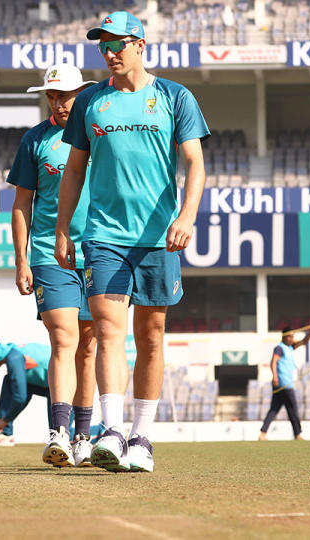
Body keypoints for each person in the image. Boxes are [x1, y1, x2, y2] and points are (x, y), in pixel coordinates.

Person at [54, 10, 210, 473]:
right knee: (107, 331)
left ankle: (142, 437)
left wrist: (186, 216)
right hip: (103, 235)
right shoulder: (89, 103)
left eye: (116, 43)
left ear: (140, 44)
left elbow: (194, 164)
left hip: (158, 238)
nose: (108, 52)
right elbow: (75, 170)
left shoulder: (174, 96)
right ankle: (112, 430)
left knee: (152, 335)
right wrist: (65, 227)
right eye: (102, 45)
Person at [6, 63, 98, 469]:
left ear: (81, 95)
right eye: (53, 96)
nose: (60, 103)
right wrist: (21, 259)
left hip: (99, 253)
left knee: (90, 347)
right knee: (64, 339)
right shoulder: (34, 140)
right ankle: (58, 432)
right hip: (48, 253)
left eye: (66, 95)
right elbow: (22, 204)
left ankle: (84, 436)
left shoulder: (100, 135)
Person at [0, 339, 97, 467]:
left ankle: (97, 434)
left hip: (65, 385)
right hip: (51, 386)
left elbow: (20, 398)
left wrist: (5, 420)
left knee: (61, 432)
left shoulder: (14, 358)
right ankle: (6, 434)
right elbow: (24, 393)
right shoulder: (15, 352)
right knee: (58, 433)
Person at [258, 325, 310, 441]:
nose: (292, 339)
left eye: (293, 336)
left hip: (284, 384)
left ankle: (263, 433)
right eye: (290, 336)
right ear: (284, 337)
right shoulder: (279, 348)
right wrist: (275, 377)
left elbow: (304, 341)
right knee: (292, 409)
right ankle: (298, 434)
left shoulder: (290, 348)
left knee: (274, 409)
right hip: (284, 384)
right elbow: (273, 362)